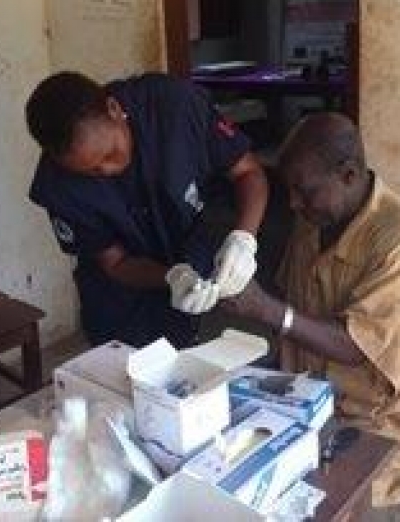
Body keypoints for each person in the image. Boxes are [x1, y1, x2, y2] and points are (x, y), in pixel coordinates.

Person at [222, 112, 400, 508]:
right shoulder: (317, 218)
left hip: (384, 415)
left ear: (348, 175)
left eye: (304, 192)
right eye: (289, 191)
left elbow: (354, 345)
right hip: (311, 390)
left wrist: (264, 309)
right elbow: (293, 298)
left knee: (324, 499)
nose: (293, 205)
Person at [25, 71, 268, 349]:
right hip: (117, 300)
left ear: (115, 109)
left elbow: (248, 172)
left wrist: (243, 239)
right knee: (120, 375)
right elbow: (115, 263)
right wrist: (172, 277)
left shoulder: (176, 106)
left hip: (190, 251)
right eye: (90, 172)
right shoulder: (58, 185)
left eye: (110, 154)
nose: (107, 170)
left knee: (192, 365)